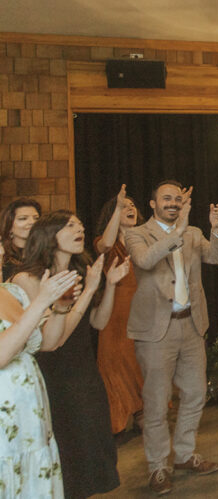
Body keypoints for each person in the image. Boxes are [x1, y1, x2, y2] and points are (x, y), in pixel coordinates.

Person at [14, 211, 128, 499]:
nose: (79, 228)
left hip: (84, 373)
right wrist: (86, 291)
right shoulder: (27, 279)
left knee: (89, 454)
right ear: (49, 235)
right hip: (52, 377)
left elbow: (99, 323)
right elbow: (55, 340)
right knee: (64, 457)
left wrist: (109, 284)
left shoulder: (81, 271)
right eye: (69, 225)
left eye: (80, 223)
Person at [124, 181, 218, 495]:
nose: (173, 203)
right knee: (156, 403)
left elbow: (217, 257)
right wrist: (177, 231)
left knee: (196, 393)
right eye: (166, 198)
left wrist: (217, 230)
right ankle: (158, 467)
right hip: (157, 330)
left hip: (192, 326)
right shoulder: (136, 233)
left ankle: (184, 455)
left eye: (178, 199)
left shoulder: (194, 233)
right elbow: (144, 261)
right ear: (153, 204)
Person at [0, 239, 79, 498]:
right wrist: (40, 301)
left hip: (31, 416)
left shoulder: (12, 292)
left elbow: (48, 343)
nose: (1, 251)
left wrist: (60, 307)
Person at [93, 185, 145, 434]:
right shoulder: (107, 244)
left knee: (140, 362)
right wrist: (117, 207)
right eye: (125, 206)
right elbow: (105, 243)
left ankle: (143, 412)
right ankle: (119, 419)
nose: (130, 208)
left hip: (143, 311)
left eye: (133, 206)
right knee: (115, 364)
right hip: (115, 314)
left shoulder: (144, 239)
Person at [1, 197, 41, 280]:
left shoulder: (46, 253)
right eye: (23, 218)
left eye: (36, 218)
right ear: (9, 226)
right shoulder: (3, 257)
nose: (32, 222)